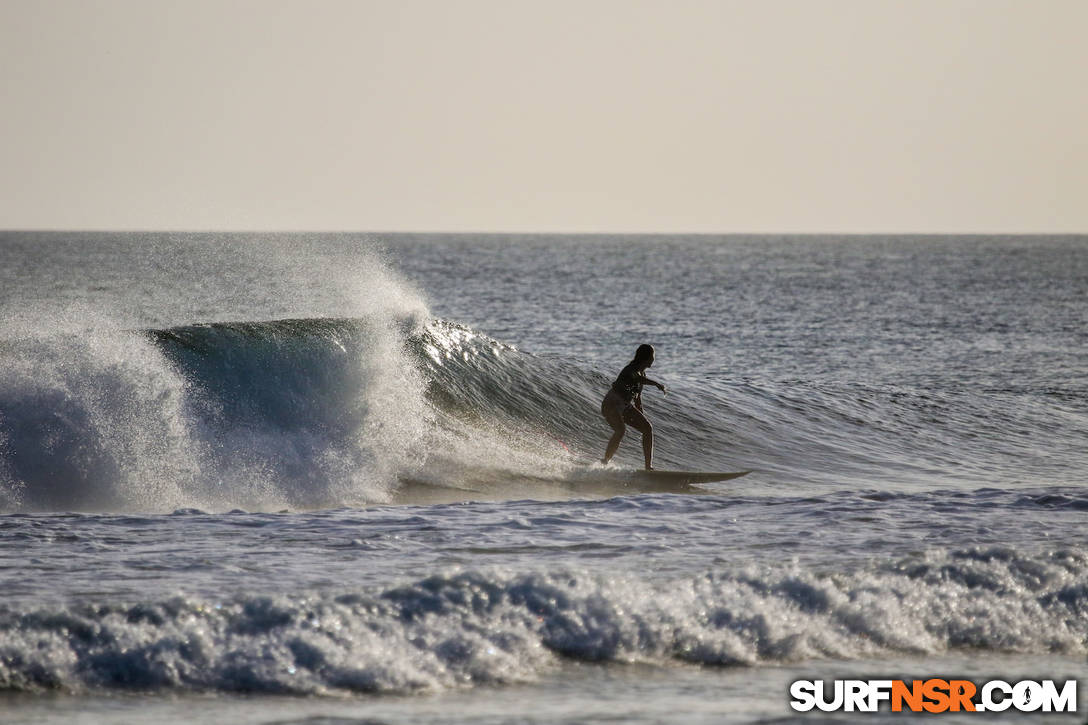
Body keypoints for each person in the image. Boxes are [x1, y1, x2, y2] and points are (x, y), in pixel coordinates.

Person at [601, 344, 667, 470]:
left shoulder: (642, 373)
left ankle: (648, 467)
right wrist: (657, 384)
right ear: (646, 357)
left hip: (624, 405)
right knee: (620, 430)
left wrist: (640, 413)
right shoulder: (630, 369)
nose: (654, 358)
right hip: (612, 403)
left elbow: (637, 396)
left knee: (647, 428)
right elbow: (637, 378)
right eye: (653, 355)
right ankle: (605, 462)